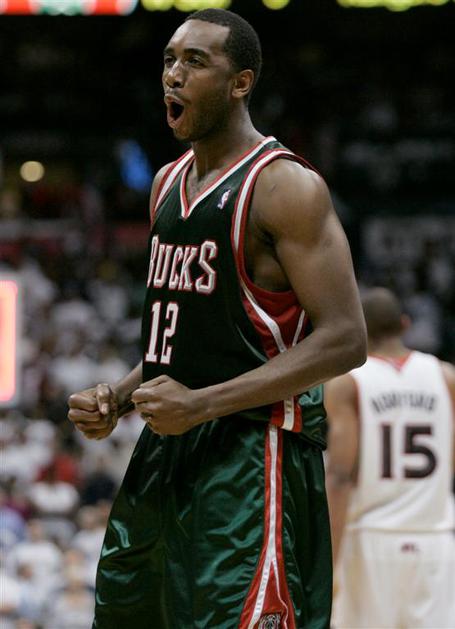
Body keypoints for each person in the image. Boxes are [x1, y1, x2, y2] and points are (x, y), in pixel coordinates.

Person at [68, 9, 366, 628]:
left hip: (253, 454)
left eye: (195, 62)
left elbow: (346, 339)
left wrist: (202, 405)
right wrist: (118, 397)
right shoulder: (166, 183)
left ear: (240, 83)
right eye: (169, 60)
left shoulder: (285, 187)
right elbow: (187, 341)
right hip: (167, 450)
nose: (173, 75)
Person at [325, 287, 455, 629]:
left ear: (360, 330)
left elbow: (339, 477)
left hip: (371, 539)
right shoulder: (446, 377)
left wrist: (329, 559)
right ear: (405, 324)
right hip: (434, 540)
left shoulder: (348, 384)